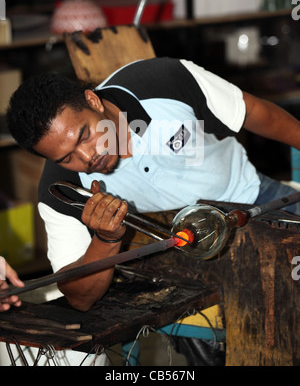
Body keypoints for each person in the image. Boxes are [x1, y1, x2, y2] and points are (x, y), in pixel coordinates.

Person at [6, 57, 300, 311]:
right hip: (178, 253)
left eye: (84, 136)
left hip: (253, 198)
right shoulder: (62, 190)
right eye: (66, 157)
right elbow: (80, 299)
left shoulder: (163, 83)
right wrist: (106, 239)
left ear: (92, 101)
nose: (87, 157)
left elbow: (254, 112)